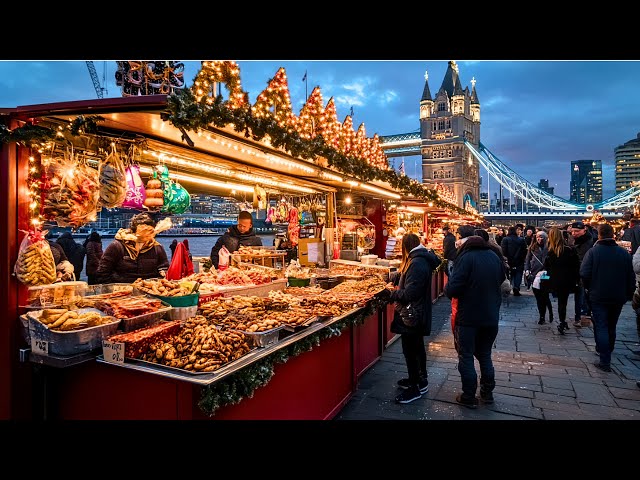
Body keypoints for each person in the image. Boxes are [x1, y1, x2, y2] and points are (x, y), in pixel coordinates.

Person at [444, 228, 507, 408]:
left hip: (468, 317)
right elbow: (501, 278)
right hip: (490, 316)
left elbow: (453, 288)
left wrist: (448, 289)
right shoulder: (494, 257)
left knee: (466, 356)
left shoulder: (465, 258)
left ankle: (468, 396)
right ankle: (487, 393)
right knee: (485, 355)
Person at [384, 232, 441, 404]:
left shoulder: (417, 262)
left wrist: (391, 293)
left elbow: (411, 292)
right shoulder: (418, 259)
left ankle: (415, 387)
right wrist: (394, 277)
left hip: (412, 315)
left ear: (406, 247)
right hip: (416, 312)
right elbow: (409, 279)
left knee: (411, 351)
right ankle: (419, 381)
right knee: (416, 349)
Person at [581, 223, 635, 372]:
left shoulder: (593, 252)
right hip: (618, 296)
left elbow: (584, 274)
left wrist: (588, 288)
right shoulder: (624, 253)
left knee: (601, 326)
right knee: (612, 325)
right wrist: (629, 293)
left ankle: (605, 359)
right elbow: (630, 276)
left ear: (599, 235)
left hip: (598, 295)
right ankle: (608, 350)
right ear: (612, 234)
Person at [96, 213, 170, 284]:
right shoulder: (117, 246)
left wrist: (162, 274)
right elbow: (103, 272)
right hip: (123, 291)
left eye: (150, 231)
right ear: (134, 231)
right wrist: (113, 289)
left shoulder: (157, 248)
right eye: (144, 231)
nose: (147, 234)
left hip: (149, 290)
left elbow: (164, 267)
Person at [542, 227, 581, 335]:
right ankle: (562, 321)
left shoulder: (550, 252)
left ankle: (560, 320)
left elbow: (546, 268)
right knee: (563, 302)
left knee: (559, 301)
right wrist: (576, 280)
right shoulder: (569, 250)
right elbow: (576, 267)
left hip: (554, 281)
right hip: (567, 280)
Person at [569, 221, 594, 327]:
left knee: (581, 294)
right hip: (578, 271)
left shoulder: (588, 242)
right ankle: (581, 315)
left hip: (584, 271)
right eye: (573, 231)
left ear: (584, 230)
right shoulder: (577, 240)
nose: (574, 233)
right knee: (581, 294)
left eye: (577, 231)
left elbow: (582, 258)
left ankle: (581, 316)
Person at [525, 230, 552, 324]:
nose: (539, 239)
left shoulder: (549, 248)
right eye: (537, 237)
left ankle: (545, 314)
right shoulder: (532, 248)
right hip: (534, 274)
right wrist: (527, 270)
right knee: (538, 296)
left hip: (545, 274)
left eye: (541, 237)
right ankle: (542, 314)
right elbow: (527, 260)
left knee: (544, 294)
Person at [500, 225, 527, 296]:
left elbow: (503, 251)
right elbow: (524, 250)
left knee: (509, 274)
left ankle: (509, 287)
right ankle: (516, 287)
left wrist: (505, 259)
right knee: (518, 273)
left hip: (508, 260)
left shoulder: (505, 239)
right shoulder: (521, 239)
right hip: (519, 260)